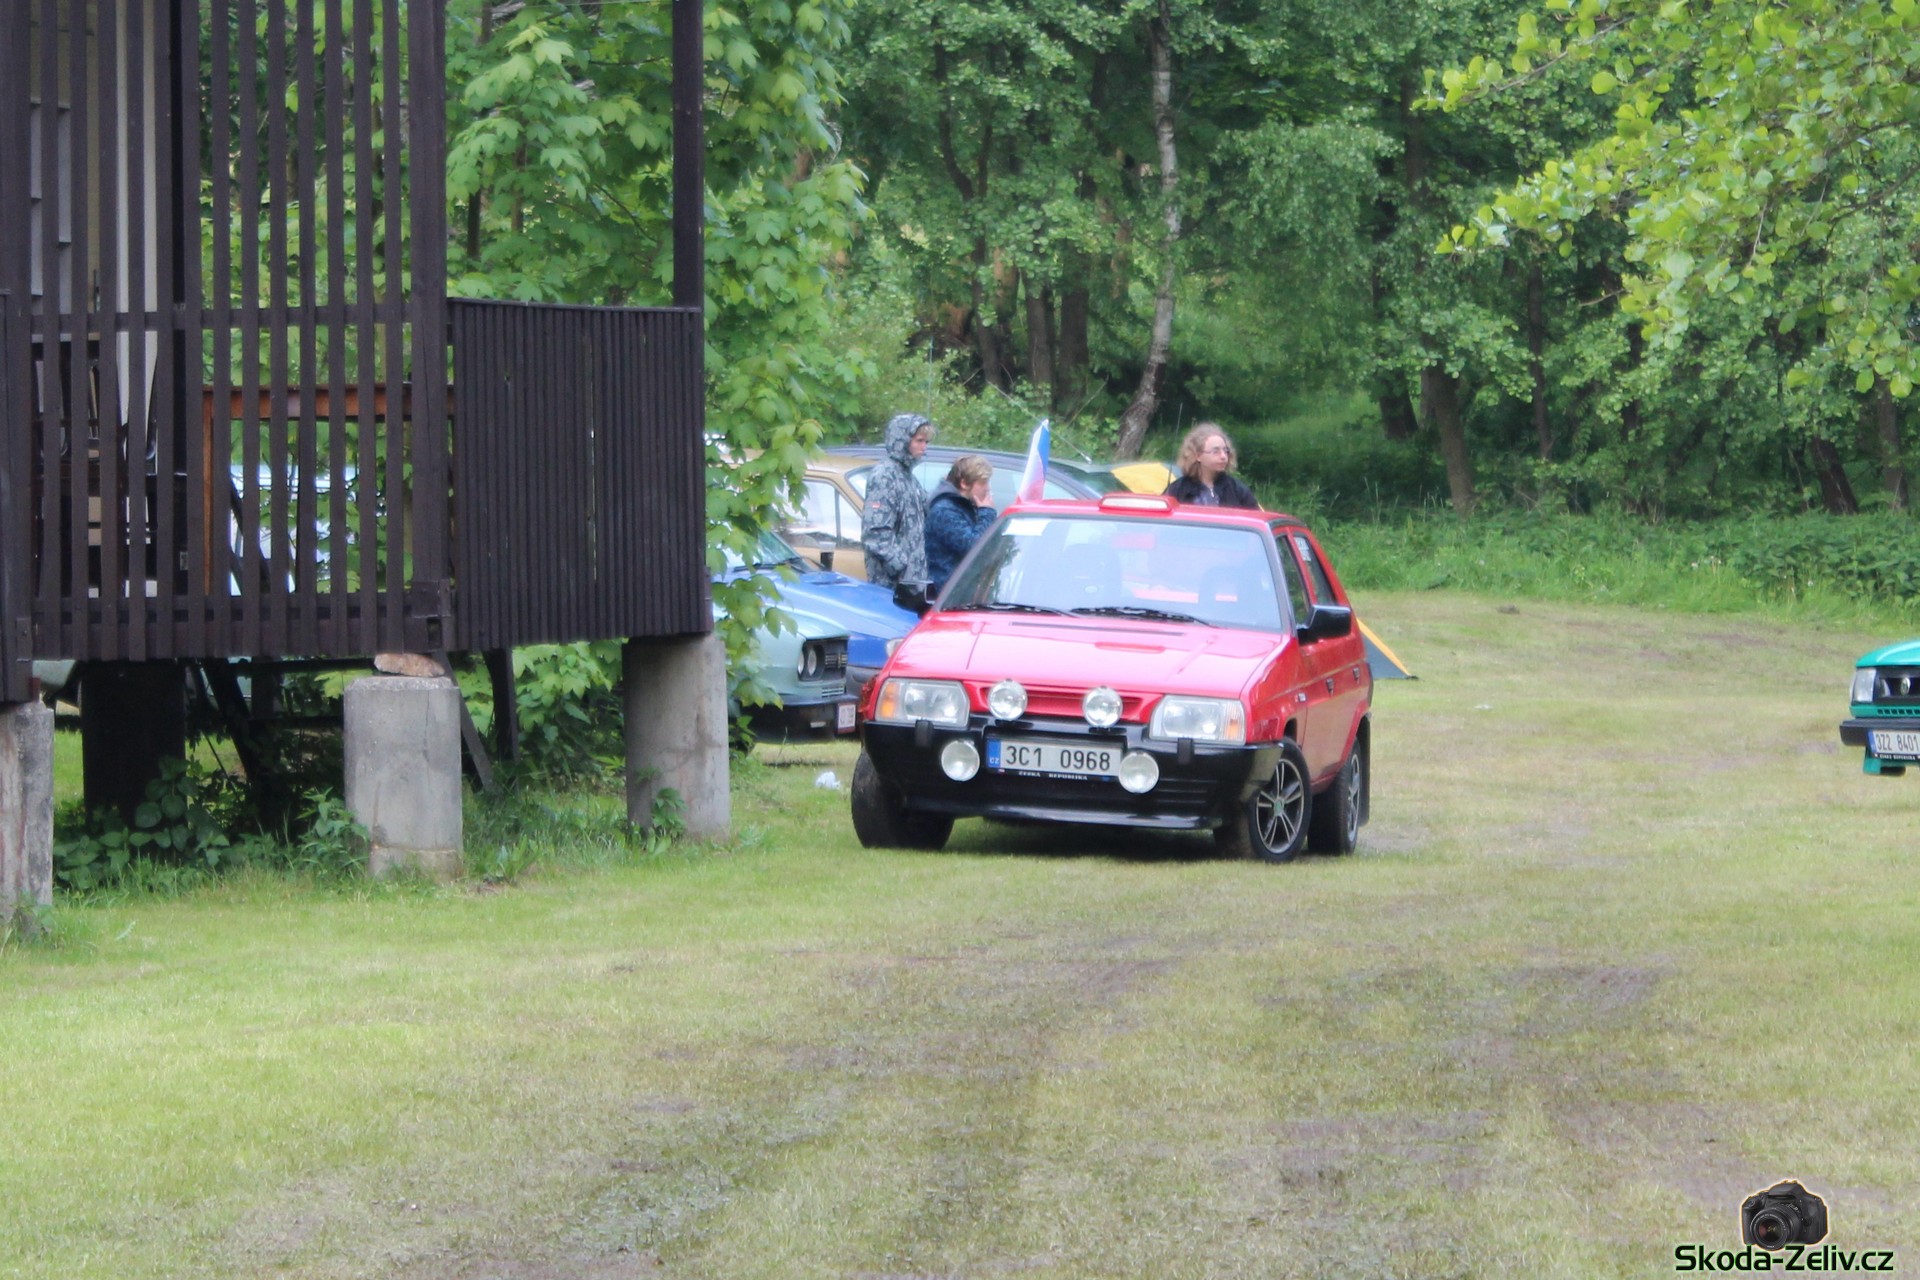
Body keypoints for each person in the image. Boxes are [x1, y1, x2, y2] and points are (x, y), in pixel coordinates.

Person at [862, 412, 935, 603]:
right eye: (919, 441)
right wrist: (904, 569)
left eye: (926, 442)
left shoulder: (908, 477)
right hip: (890, 589)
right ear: (902, 440)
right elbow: (876, 534)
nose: (924, 447)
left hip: (912, 586)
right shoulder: (885, 477)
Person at [924, 455, 997, 596]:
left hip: (962, 592)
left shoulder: (967, 506)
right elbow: (974, 548)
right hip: (947, 595)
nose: (987, 488)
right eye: (983, 483)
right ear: (964, 483)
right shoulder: (945, 510)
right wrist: (987, 513)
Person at [1164, 422, 1260, 509]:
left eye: (1225, 451)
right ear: (1198, 455)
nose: (1223, 456)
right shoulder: (1177, 490)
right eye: (1216, 451)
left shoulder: (1237, 490)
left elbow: (1255, 517)